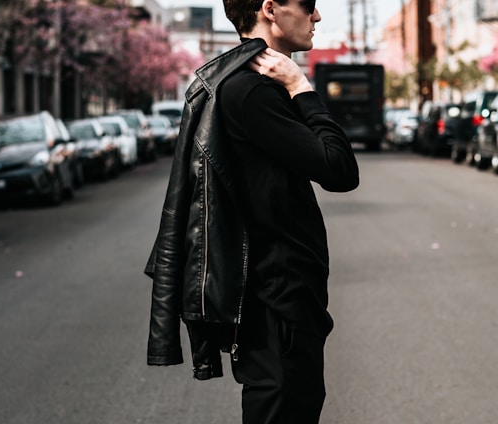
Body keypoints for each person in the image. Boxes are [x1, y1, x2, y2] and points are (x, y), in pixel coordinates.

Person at [145, 0, 359, 422]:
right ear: (271, 9)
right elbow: (339, 169)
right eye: (309, 6)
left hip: (275, 304)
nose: (316, 16)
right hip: (275, 305)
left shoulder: (242, 85)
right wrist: (302, 88)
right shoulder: (253, 92)